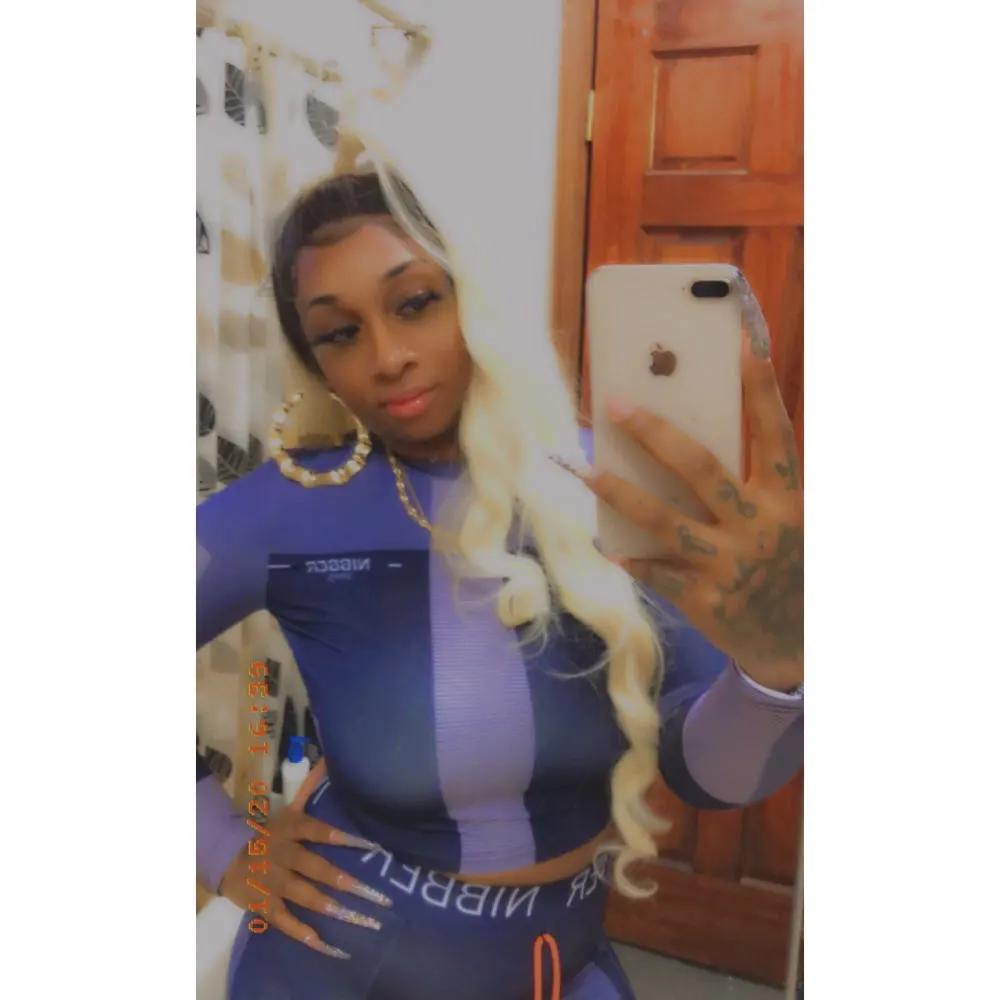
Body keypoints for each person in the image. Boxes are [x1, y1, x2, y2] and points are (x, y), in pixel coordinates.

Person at [196, 167, 804, 1000]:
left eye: (415, 302)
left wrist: (775, 667)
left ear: (472, 298)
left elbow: (719, 781)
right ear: (315, 361)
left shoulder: (609, 491)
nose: (389, 357)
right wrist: (222, 845)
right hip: (331, 968)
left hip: (562, 963)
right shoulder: (293, 507)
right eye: (339, 332)